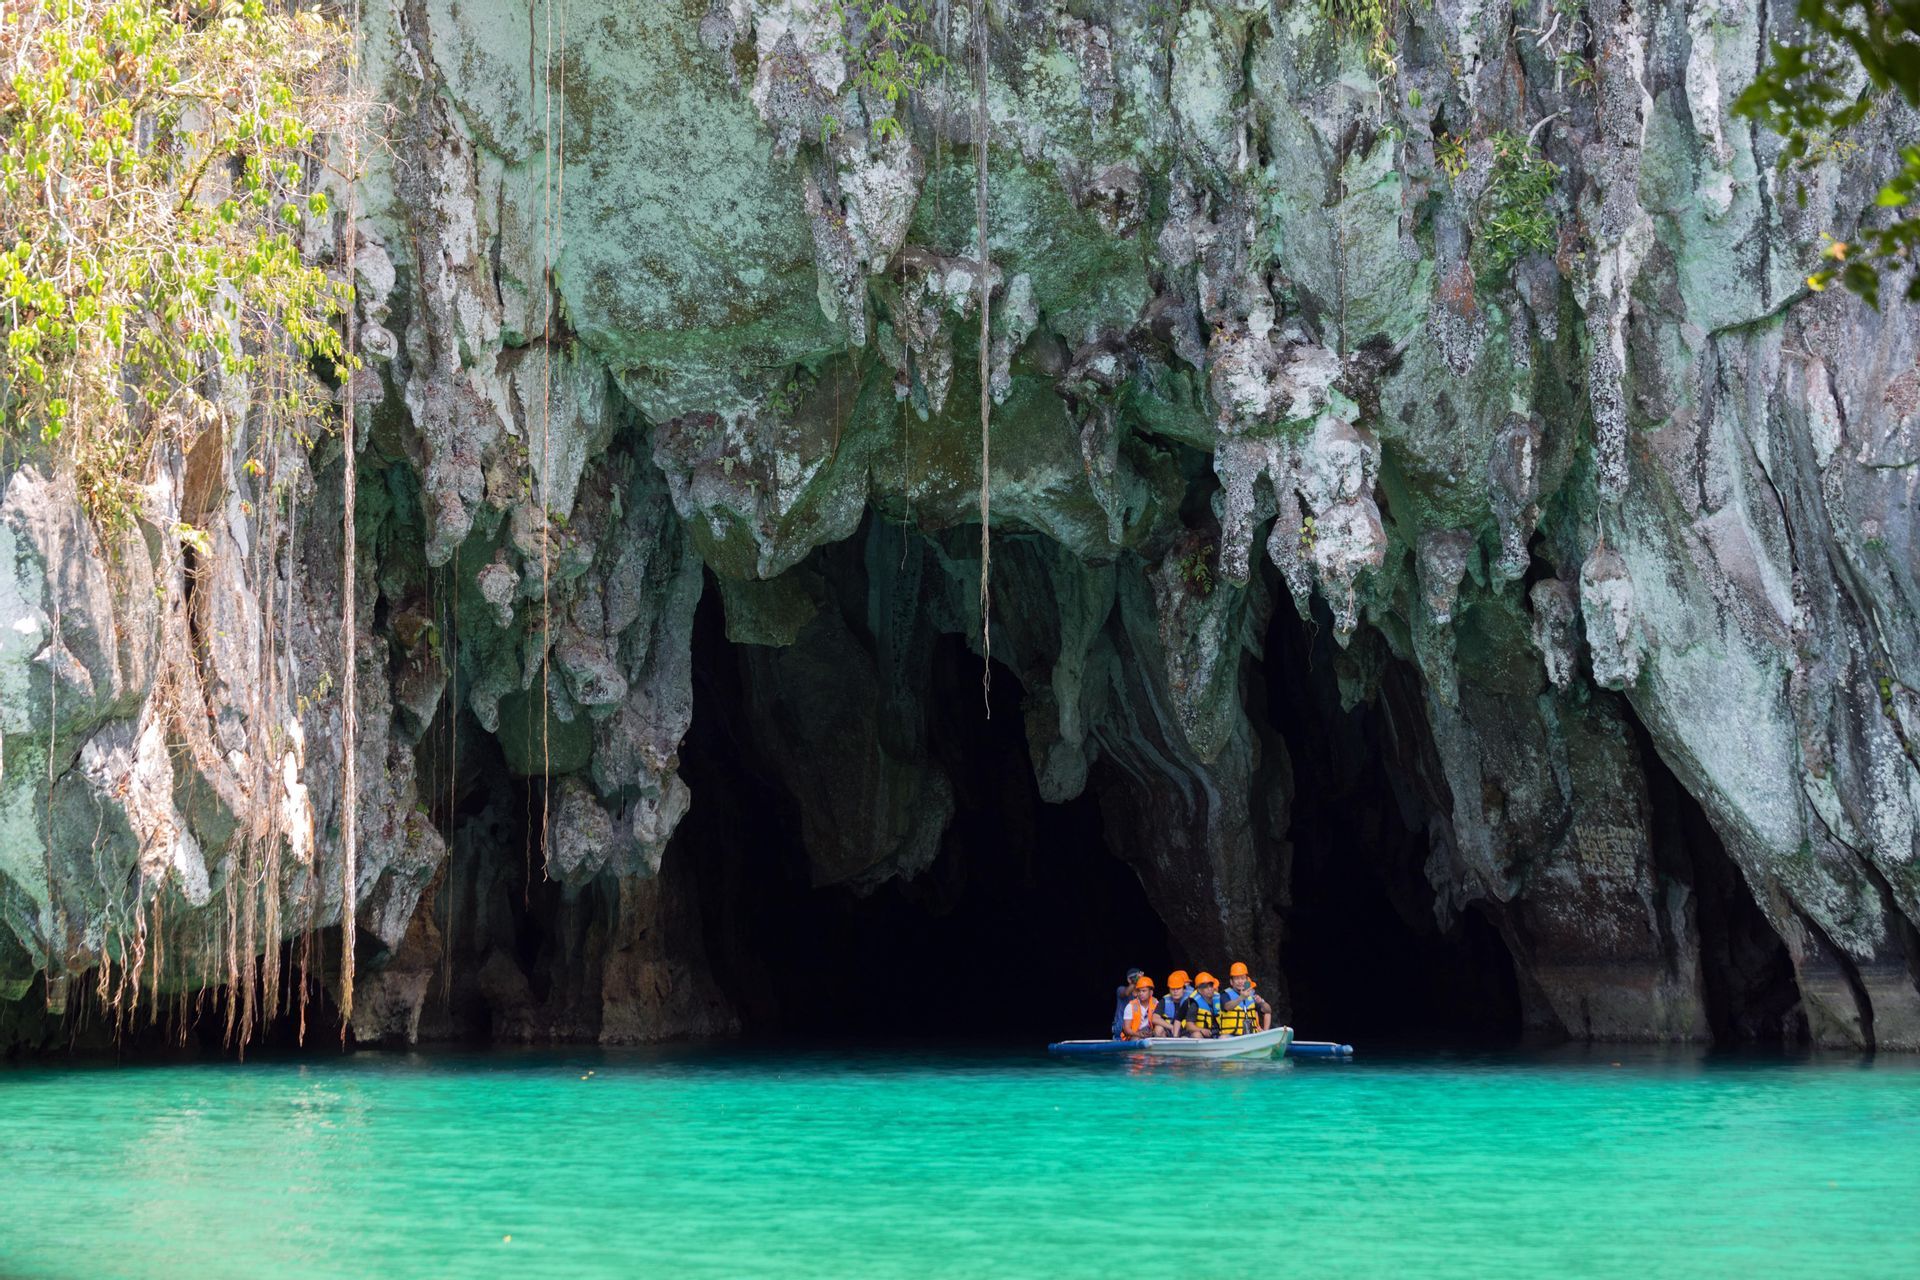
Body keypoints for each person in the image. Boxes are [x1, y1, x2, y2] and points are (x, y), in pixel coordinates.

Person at [1220, 961, 1272, 1035]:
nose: (1240, 981)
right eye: (1237, 979)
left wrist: (1261, 1002)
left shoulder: (1252, 994)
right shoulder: (1225, 994)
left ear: (1247, 980)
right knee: (1223, 1037)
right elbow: (1227, 1007)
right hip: (1232, 1036)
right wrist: (1241, 998)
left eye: (1242, 978)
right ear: (1231, 982)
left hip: (1250, 1036)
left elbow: (1268, 1010)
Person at [1119, 975, 1173, 1040]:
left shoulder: (1156, 1003)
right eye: (1139, 991)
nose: (1141, 993)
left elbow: (1161, 1020)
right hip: (1135, 1035)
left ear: (1151, 992)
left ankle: (1163, 1049)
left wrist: (1152, 1032)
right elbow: (1126, 1029)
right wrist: (1139, 1034)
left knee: (1160, 1029)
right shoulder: (1131, 1006)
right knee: (1136, 1038)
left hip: (1151, 1033)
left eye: (1144, 991)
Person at [1185, 971, 1223, 1038]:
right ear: (1199, 990)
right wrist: (1201, 1030)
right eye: (1205, 987)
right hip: (1202, 1034)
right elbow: (1189, 1026)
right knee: (1196, 1035)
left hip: (1217, 1032)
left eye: (1211, 986)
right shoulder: (1195, 1004)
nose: (1209, 989)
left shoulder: (1220, 998)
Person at [1111, 968, 1146, 1038]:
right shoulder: (1121, 989)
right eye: (1135, 978)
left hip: (1137, 1028)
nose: (1138, 979)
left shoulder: (1144, 994)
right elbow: (1126, 993)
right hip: (1121, 1028)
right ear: (1128, 980)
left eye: (1139, 977)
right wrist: (1136, 981)